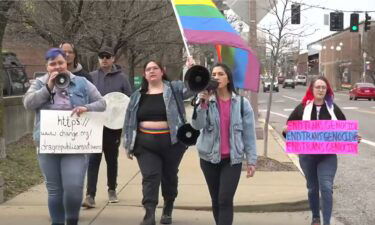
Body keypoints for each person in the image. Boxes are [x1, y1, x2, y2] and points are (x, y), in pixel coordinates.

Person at [23, 48, 106, 225]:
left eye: (60, 62)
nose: (57, 67)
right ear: (47, 67)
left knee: (74, 187)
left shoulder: (82, 82)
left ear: (66, 62)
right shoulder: (39, 83)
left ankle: (72, 220)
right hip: (47, 143)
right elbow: (28, 103)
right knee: (55, 190)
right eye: (52, 64)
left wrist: (87, 108)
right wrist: (48, 87)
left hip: (75, 144)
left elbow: (102, 103)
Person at [123, 60, 193, 225]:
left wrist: (192, 71)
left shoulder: (174, 89)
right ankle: (149, 214)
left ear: (163, 71)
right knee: (150, 177)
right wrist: (128, 144)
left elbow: (191, 90)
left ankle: (168, 207)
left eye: (155, 68)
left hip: (172, 143)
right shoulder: (137, 95)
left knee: (169, 176)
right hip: (145, 144)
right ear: (145, 74)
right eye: (148, 69)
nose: (152, 71)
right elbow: (128, 120)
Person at [282, 76, 359, 225]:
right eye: (318, 87)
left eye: (324, 87)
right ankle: (316, 217)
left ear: (327, 90)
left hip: (327, 156)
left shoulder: (333, 109)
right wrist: (286, 131)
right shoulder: (302, 108)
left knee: (326, 186)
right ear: (312, 89)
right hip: (307, 156)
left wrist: (353, 137)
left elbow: (344, 129)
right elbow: (290, 131)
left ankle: (326, 222)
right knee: (312, 188)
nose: (321, 90)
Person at [191, 63, 257, 225]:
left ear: (228, 79)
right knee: (216, 199)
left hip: (232, 160)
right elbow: (197, 126)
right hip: (208, 159)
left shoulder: (242, 103)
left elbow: (249, 134)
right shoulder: (205, 101)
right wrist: (202, 104)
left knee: (225, 199)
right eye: (213, 74)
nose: (216, 77)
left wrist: (251, 160)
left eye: (221, 74)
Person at [82, 47, 132, 208]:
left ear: (113, 59)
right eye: (101, 56)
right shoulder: (91, 77)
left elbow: (128, 100)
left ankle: (112, 189)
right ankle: (90, 195)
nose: (104, 59)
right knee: (93, 160)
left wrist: (123, 119)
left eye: (107, 56)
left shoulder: (122, 78)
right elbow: (85, 97)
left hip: (114, 126)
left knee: (112, 159)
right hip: (95, 124)